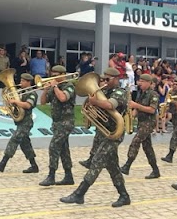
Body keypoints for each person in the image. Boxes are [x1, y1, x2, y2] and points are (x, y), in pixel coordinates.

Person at [60, 68, 131, 207]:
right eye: (103, 79)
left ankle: (79, 194)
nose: (104, 82)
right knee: (113, 167)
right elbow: (94, 109)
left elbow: (110, 105)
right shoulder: (103, 92)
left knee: (97, 162)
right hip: (103, 133)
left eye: (108, 79)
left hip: (114, 133)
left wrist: (95, 102)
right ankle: (124, 196)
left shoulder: (120, 93)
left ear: (116, 79)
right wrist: (91, 105)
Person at [0, 73, 39, 174]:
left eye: (22, 81)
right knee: (25, 144)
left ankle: (2, 164)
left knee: (14, 139)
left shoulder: (32, 93)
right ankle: (34, 166)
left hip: (26, 122)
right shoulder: (22, 92)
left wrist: (16, 102)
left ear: (28, 82)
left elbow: (27, 105)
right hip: (21, 121)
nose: (20, 82)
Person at [39, 65, 76, 186]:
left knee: (54, 146)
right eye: (52, 75)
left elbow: (63, 98)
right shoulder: (54, 87)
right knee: (63, 149)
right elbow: (43, 102)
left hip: (66, 121)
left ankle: (51, 175)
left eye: (55, 75)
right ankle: (68, 176)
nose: (52, 77)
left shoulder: (69, 86)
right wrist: (45, 89)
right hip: (56, 122)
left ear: (62, 75)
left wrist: (54, 86)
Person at [120, 74, 160, 179]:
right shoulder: (140, 93)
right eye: (139, 81)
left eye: (142, 81)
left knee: (136, 141)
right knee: (147, 148)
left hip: (149, 122)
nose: (140, 83)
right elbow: (136, 109)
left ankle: (127, 165)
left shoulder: (153, 94)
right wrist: (130, 117)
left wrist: (136, 106)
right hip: (141, 122)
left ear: (148, 83)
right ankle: (155, 171)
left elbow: (152, 110)